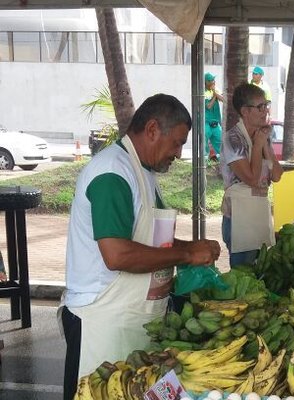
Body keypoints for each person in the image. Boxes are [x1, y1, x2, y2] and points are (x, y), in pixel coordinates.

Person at [60, 94, 221, 400]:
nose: (178, 153)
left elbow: (148, 242)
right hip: (103, 324)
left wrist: (191, 248)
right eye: (176, 142)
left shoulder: (142, 171)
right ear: (151, 129)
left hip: (135, 321)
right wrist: (186, 253)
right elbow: (117, 253)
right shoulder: (112, 172)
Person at [220, 83, 283, 267]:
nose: (265, 111)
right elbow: (253, 179)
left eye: (266, 105)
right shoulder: (233, 139)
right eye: (260, 107)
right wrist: (257, 145)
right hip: (239, 217)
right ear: (245, 111)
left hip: (259, 213)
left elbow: (277, 175)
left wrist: (263, 145)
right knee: (243, 275)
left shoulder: (262, 135)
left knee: (260, 272)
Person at [204, 72, 224, 160]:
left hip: (215, 122)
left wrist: (215, 93)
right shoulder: (202, 92)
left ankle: (221, 162)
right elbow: (208, 106)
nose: (213, 82)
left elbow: (224, 99)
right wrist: (215, 96)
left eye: (213, 80)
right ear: (206, 82)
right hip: (206, 122)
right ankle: (204, 163)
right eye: (211, 80)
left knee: (220, 143)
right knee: (204, 144)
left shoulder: (216, 90)